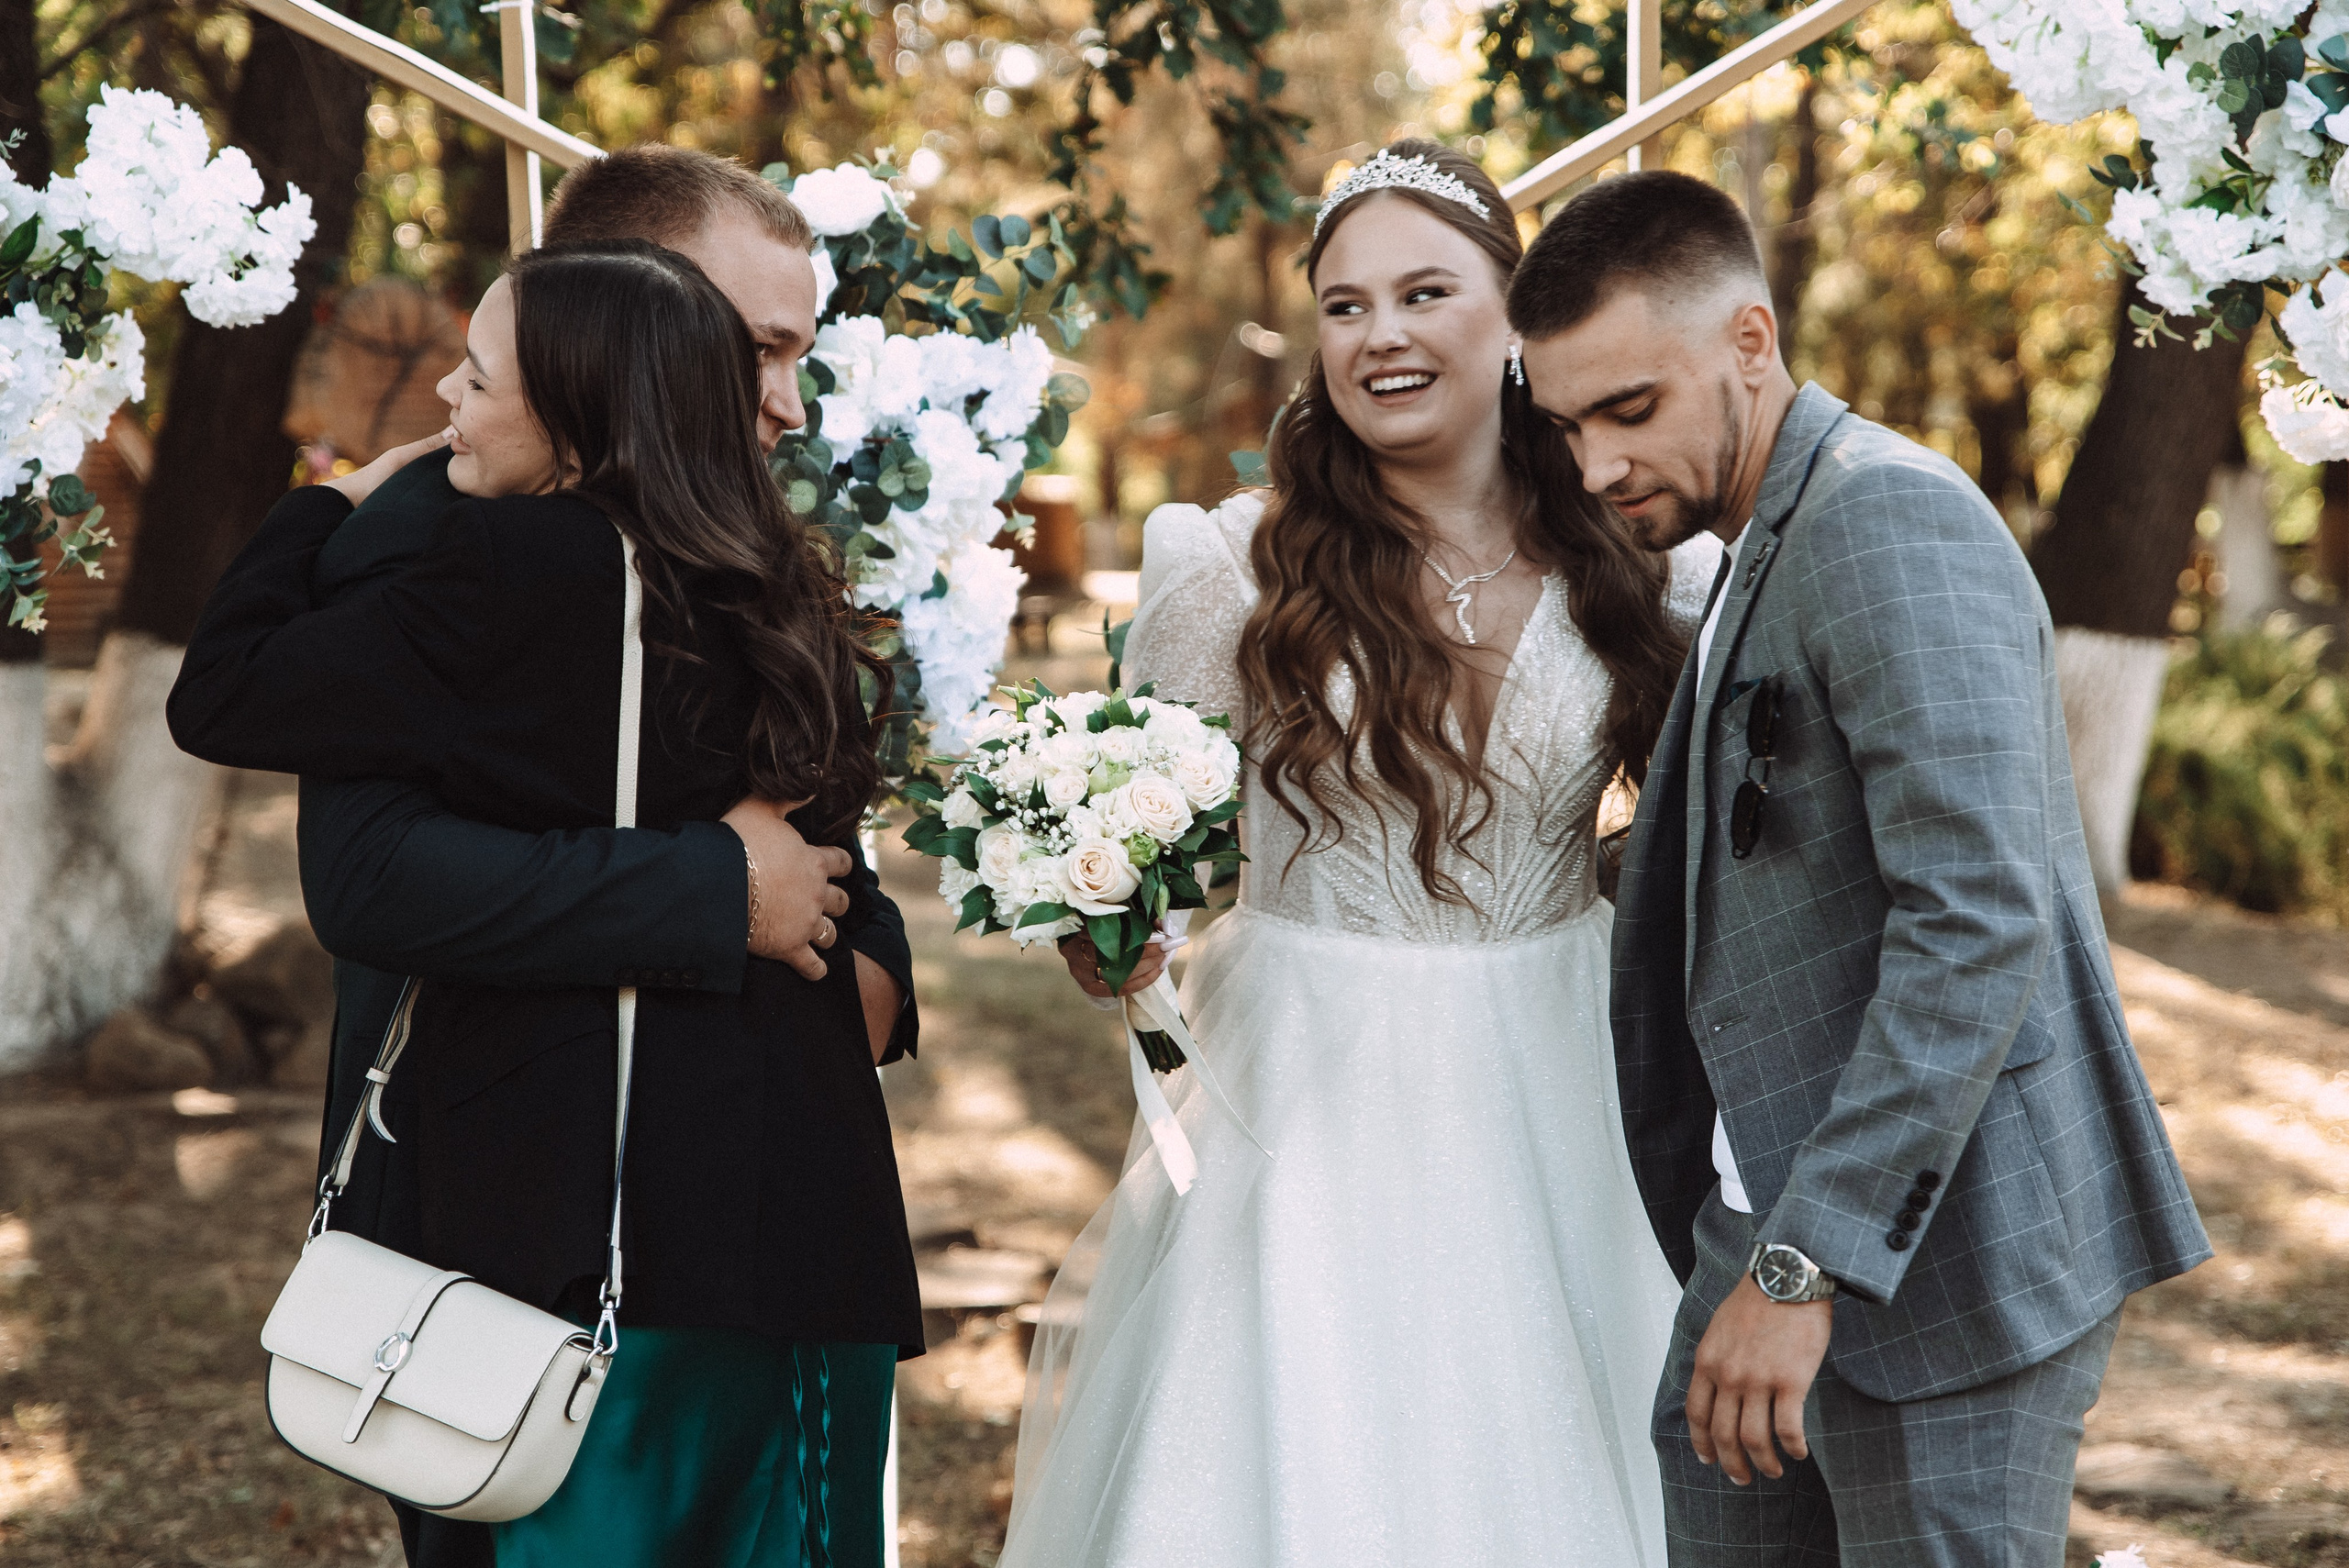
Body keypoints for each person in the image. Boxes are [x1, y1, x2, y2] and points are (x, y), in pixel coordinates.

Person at [169, 146, 913, 1567]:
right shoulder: (449, 538)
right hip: (518, 1219)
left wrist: (864, 964)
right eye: (754, 345)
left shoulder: (752, 556)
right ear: (622, 328)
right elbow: (375, 871)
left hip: (767, 1214)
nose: (782, 399)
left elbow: (825, 846)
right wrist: (717, 890)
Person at [999, 141, 1720, 1566]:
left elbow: (1700, 844)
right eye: (1343, 305)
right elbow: (1155, 842)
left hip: (1558, 1067)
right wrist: (1107, 926)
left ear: (1515, 316)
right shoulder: (1231, 566)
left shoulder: (1644, 561)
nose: (1379, 333)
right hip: (1300, 1081)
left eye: (1422, 291)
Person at [1509, 169, 2211, 1566]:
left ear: (1750, 342)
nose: (1594, 466)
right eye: (1568, 422)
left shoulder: (1888, 518)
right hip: (1756, 1233)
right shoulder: (1755, 539)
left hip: (1931, 1266)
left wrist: (1799, 1264)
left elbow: (1974, 920)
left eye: (1630, 410)